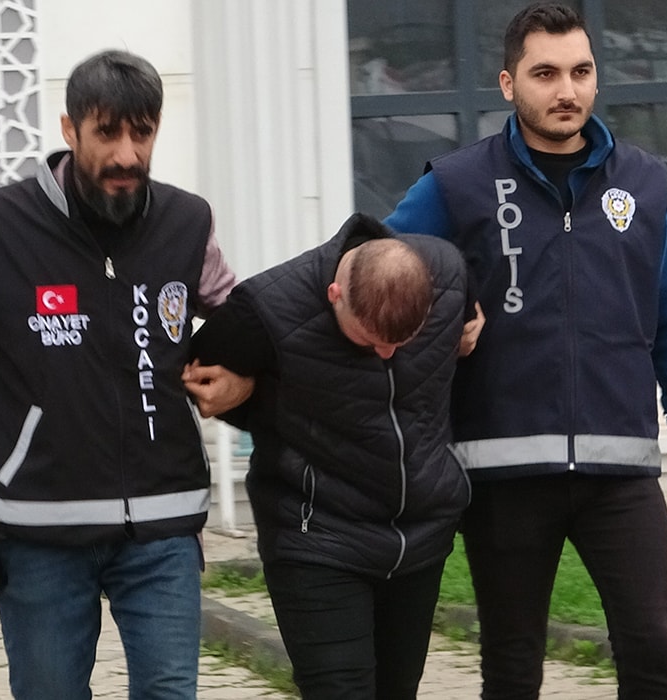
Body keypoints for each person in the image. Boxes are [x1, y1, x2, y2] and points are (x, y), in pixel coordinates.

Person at [383, 4, 667, 699]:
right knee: (512, 666)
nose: (566, 90)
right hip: (502, 472)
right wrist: (444, 313)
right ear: (509, 83)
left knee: (652, 646)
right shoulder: (457, 183)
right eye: (545, 74)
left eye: (580, 72)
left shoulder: (645, 184)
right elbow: (374, 267)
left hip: (621, 467)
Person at [0, 49, 236, 700]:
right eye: (107, 133)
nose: (127, 154)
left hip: (163, 521)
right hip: (34, 528)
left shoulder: (187, 222)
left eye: (142, 133)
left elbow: (250, 322)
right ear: (69, 130)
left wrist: (244, 378)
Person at [183, 212, 481, 700]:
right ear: (334, 295)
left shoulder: (448, 271)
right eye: (370, 340)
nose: (387, 354)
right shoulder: (266, 308)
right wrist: (253, 395)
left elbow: (469, 325)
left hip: (421, 537)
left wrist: (468, 330)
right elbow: (200, 380)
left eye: (401, 342)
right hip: (318, 536)